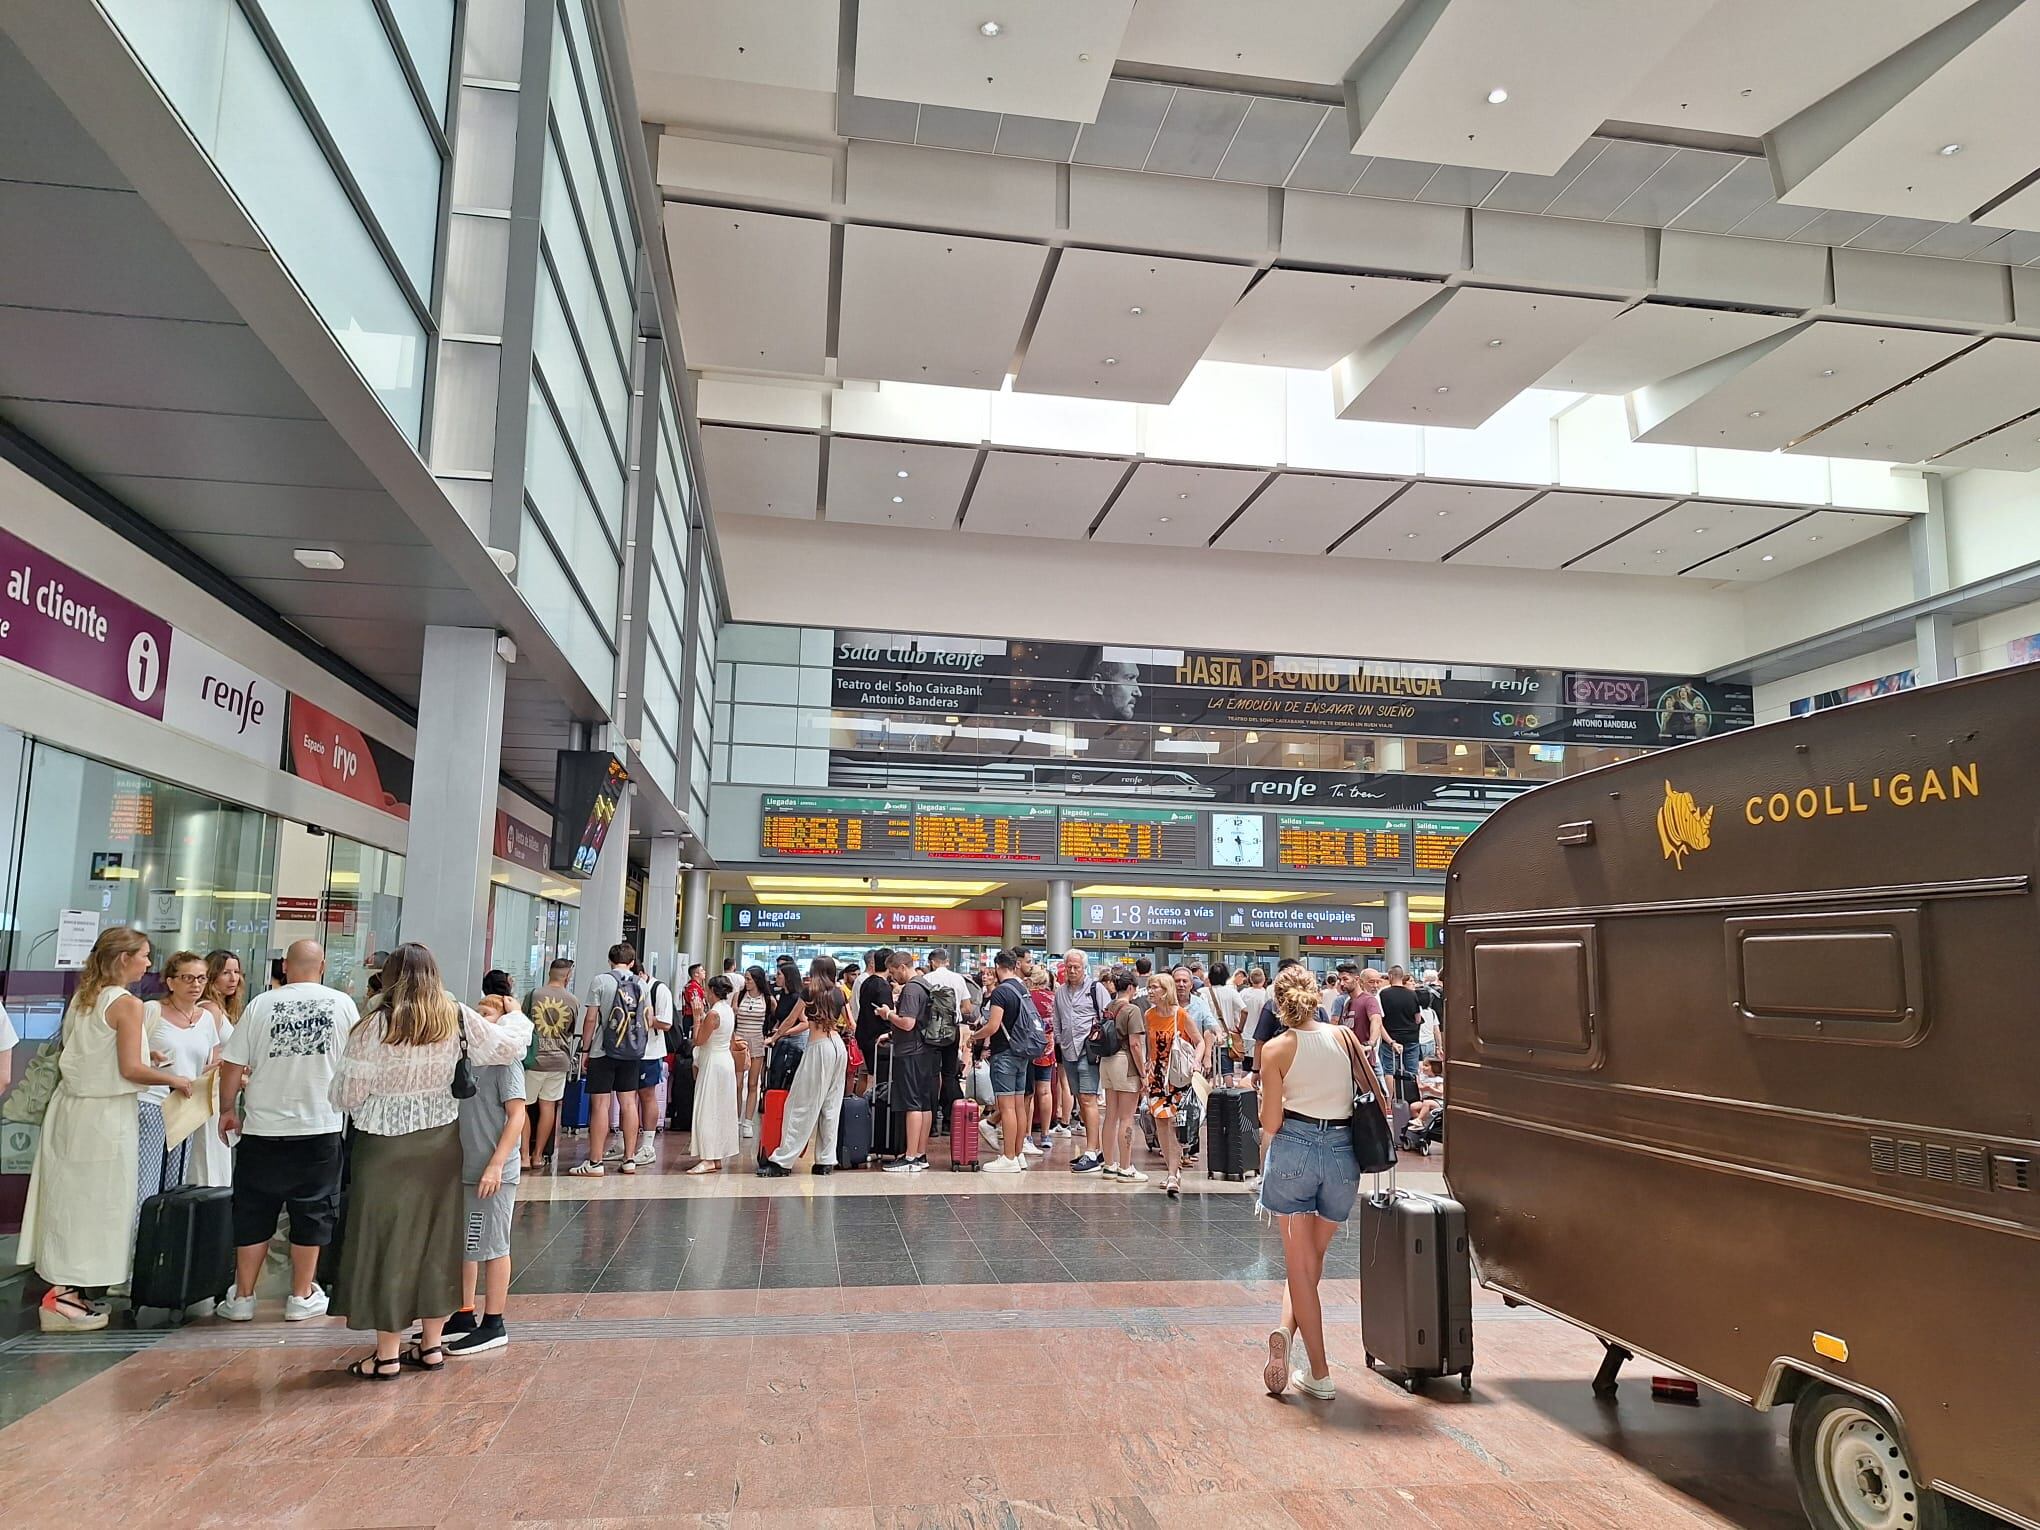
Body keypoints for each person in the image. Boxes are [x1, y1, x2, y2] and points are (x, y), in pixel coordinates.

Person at [327, 943, 531, 1379]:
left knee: (386, 1244)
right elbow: (508, 1047)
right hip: (442, 1145)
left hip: (383, 1149)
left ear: (390, 977)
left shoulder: (373, 1026)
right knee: (438, 1242)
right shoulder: (455, 1016)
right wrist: (514, 1012)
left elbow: (345, 1096)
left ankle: (385, 1355)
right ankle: (433, 1346)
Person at [21, 927, 196, 1332]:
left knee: (67, 1198)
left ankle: (66, 1290)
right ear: (123, 959)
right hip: (105, 1115)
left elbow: (91, 1051)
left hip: (70, 1111)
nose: (149, 963)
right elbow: (129, 1070)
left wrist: (143, 1052)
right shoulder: (127, 1004)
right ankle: (65, 1295)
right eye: (145, 955)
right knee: (96, 1204)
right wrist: (174, 1080)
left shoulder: (85, 997)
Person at [1256, 965, 1390, 1401]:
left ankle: (1320, 1372)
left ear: (1279, 1003)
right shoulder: (1343, 1037)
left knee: (1298, 1267)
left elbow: (1271, 1122)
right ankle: (1284, 1330)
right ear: (1317, 996)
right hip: (1342, 1153)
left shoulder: (1276, 1049)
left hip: (1294, 1150)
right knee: (1312, 1263)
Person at [216, 939, 360, 1323]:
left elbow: (232, 1064)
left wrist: (228, 1109)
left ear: (285, 966)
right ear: (323, 966)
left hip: (263, 1126)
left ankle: (243, 1296)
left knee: (253, 1209)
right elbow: (356, 1061)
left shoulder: (261, 1004)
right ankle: (301, 1295)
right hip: (320, 1124)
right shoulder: (342, 1004)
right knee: (313, 1211)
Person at [448, 971, 529, 1356]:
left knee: (493, 1243)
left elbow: (517, 1115)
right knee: (467, 1243)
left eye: (489, 1018)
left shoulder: (506, 1062)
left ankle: (493, 1321)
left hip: (491, 1170)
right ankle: (464, 1312)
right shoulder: (467, 1058)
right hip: (466, 1167)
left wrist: (497, 1165)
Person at [145, 950, 226, 1189]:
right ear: (171, 982)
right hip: (153, 1102)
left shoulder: (206, 1019)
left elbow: (203, 1065)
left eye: (201, 978)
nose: (196, 984)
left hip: (186, 1107)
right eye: (188, 978)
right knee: (147, 1179)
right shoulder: (152, 1010)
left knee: (176, 1181)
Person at [571, 943, 647, 1177]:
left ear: (610, 960)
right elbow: (648, 1019)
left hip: (602, 1051)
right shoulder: (641, 984)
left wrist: (584, 1049)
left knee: (601, 1105)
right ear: (632, 962)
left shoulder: (600, 981)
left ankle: (595, 1162)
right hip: (631, 1052)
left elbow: (591, 1019)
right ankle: (630, 1158)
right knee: (629, 1103)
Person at [759, 982, 849, 1177]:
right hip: (838, 1047)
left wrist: (773, 1038)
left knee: (800, 1105)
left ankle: (783, 1161)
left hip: (818, 1047)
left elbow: (792, 1019)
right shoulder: (839, 993)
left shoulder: (810, 991)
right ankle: (825, 1161)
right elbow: (851, 1023)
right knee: (830, 1106)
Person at [970, 948, 1039, 1174]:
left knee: (1006, 1107)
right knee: (1019, 1106)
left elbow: (992, 1025)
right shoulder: (1021, 988)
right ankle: (1018, 1155)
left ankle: (1008, 1157)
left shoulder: (1001, 992)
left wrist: (974, 1036)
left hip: (1005, 1053)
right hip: (1022, 1053)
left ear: (999, 967)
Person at [1138, 969, 1201, 1199]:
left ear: (1166, 991)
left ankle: (1174, 1173)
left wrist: (1196, 1061)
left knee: (1171, 1123)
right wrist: (1146, 1068)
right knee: (1160, 1125)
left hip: (1175, 1076)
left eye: (1155, 987)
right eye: (1151, 987)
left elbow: (1199, 1040)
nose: (1151, 991)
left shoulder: (1180, 1015)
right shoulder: (1149, 1015)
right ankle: (1171, 1170)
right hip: (1156, 1074)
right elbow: (1149, 1044)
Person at [877, 948, 938, 1172]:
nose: (893, 977)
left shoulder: (911, 989)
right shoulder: (925, 984)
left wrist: (888, 1014)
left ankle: (910, 1157)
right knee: (924, 1103)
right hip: (926, 1051)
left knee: (911, 1103)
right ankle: (920, 1154)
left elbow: (908, 1023)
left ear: (903, 967)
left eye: (894, 972)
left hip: (910, 1052)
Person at [1049, 949, 1108, 1174]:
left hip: (1089, 1051)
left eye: (1077, 967)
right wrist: (1058, 1039)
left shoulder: (1095, 989)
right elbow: (1056, 1018)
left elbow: (1107, 1016)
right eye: (1069, 967)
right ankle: (1097, 1149)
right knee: (1080, 1100)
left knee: (1088, 1097)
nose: (1073, 971)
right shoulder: (1060, 993)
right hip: (1068, 1050)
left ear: (1084, 968)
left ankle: (1091, 1151)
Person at [522, 958, 577, 1170]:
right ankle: (538, 1156)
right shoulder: (572, 1000)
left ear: (549, 973)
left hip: (534, 1059)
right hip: (558, 1060)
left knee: (523, 1106)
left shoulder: (534, 994)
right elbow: (570, 1030)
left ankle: (524, 1155)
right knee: (548, 1107)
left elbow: (524, 1021)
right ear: (568, 976)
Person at [1096, 967, 1147, 1184]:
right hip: (1125, 1062)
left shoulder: (1109, 1006)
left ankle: (1109, 1164)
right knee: (1127, 1117)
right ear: (1130, 987)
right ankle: (1126, 1167)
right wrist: (1143, 1073)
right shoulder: (1132, 1010)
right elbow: (1135, 1044)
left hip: (1106, 1061)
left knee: (1111, 1115)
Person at [688, 974, 740, 1173]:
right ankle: (716, 1156)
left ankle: (708, 1158)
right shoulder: (728, 1011)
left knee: (707, 1109)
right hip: (725, 1060)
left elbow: (699, 1040)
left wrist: (696, 1016)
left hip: (712, 1063)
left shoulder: (713, 1014)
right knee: (721, 1109)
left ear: (712, 992)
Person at [627, 961, 673, 1167]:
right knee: (626, 1097)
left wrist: (645, 1017)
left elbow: (665, 1023)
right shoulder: (626, 988)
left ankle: (647, 1145)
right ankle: (623, 1142)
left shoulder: (659, 989)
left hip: (649, 1052)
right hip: (627, 1051)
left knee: (647, 1095)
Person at [920, 946, 974, 1118]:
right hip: (953, 1030)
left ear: (932, 962)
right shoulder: (958, 979)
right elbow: (967, 1008)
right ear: (948, 962)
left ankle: (931, 1117)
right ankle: (949, 1120)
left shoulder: (926, 978)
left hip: (931, 1032)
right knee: (950, 1075)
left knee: (932, 1075)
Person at [1373, 966, 1425, 1106]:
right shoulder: (1412, 994)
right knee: (1412, 1071)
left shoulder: (1383, 994)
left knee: (1389, 1070)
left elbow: (1379, 1019)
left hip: (1390, 1037)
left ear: (1390, 976)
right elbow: (1418, 1018)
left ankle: (1389, 1103)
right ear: (1402, 977)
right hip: (1411, 1038)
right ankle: (1413, 1101)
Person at [733, 965, 772, 1134]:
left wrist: (770, 1035)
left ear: (757, 980)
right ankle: (735, 1119)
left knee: (753, 1083)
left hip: (757, 1040)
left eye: (749, 979)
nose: (746, 982)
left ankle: (748, 1121)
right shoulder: (739, 995)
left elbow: (775, 1017)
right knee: (738, 1083)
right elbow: (732, 1015)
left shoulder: (768, 999)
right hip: (739, 1039)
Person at [1026, 967, 1058, 1154]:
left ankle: (1027, 1134)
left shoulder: (1027, 997)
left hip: (1028, 1047)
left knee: (1028, 1093)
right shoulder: (1053, 998)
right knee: (1045, 1091)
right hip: (1047, 1047)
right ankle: (1046, 1134)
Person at [854, 948, 893, 1091]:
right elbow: (885, 1013)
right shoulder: (882, 986)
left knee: (867, 1074)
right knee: (879, 1080)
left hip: (864, 1033)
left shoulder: (866, 982)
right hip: (878, 1038)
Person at [199, 949, 248, 1037]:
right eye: (225, 973)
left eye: (236, 972)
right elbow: (209, 1049)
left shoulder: (225, 1006)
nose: (233, 978)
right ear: (211, 976)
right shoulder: (210, 1009)